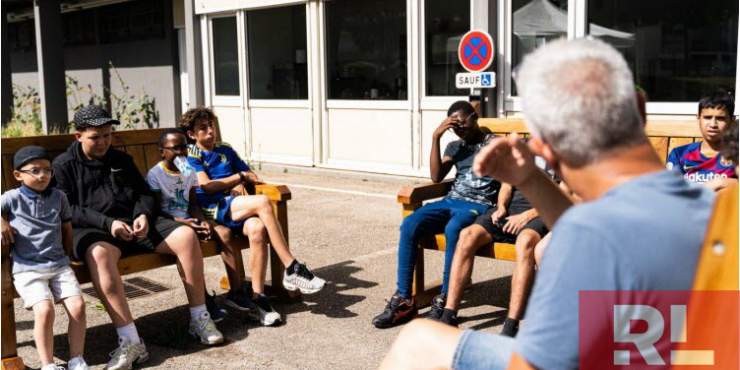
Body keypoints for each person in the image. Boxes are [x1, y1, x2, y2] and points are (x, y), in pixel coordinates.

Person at [380, 38, 715, 370]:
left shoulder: (591, 245)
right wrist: (531, 180)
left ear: (547, 147)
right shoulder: (714, 213)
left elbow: (535, 365)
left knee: (418, 342)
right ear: (640, 109)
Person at [53, 105, 223, 370]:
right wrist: (108, 224)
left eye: (107, 135)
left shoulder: (120, 159)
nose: (103, 142)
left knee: (187, 236)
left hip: (133, 224)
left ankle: (199, 318)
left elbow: (144, 194)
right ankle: (131, 341)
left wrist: (142, 214)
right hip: (93, 230)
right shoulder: (63, 165)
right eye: (95, 137)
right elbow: (68, 209)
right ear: (78, 136)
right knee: (99, 254)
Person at [372, 101, 501, 329]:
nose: (459, 128)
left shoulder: (496, 144)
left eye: (462, 121)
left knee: (454, 229)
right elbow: (436, 177)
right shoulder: (454, 146)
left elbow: (512, 178)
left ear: (474, 116)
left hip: (478, 205)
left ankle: (445, 299)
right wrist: (435, 137)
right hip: (451, 200)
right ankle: (405, 300)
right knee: (410, 223)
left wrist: (503, 207)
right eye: (454, 125)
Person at [179, 107, 325, 305]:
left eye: (211, 125)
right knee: (263, 202)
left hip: (232, 206)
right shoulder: (192, 154)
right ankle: (291, 267)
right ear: (191, 134)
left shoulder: (225, 149)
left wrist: (240, 182)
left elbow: (252, 176)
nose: (210, 131)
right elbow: (207, 186)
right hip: (212, 209)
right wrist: (239, 177)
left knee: (257, 229)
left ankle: (259, 298)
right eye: (203, 128)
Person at [146, 128, 280, 326]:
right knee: (188, 241)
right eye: (175, 149)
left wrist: (203, 221)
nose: (180, 153)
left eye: (183, 148)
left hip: (190, 218)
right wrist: (185, 222)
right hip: (169, 223)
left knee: (224, 232)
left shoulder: (188, 170)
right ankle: (204, 296)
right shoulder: (155, 175)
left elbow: (192, 206)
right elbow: (156, 211)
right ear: (161, 151)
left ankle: (237, 290)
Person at [436, 157, 553, 335]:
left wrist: (528, 215)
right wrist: (501, 207)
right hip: (511, 209)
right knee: (467, 235)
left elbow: (565, 195)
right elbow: (506, 185)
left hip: (542, 212)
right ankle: (449, 314)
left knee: (525, 241)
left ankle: (511, 325)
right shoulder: (522, 149)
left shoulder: (565, 152)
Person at [1, 147, 89, 370]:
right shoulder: (12, 198)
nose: (42, 175)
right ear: (18, 175)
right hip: (27, 268)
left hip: (59, 264)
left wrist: (67, 256)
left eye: (47, 170)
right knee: (45, 309)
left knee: (78, 306)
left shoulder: (58, 197)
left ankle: (76, 359)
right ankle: (48, 364)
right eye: (35, 171)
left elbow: (67, 228)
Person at [666, 90, 738, 191]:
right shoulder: (680, 154)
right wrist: (715, 184)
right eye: (707, 117)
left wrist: (722, 182)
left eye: (720, 118)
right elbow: (671, 191)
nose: (713, 124)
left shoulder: (736, 155)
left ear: (731, 120)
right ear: (698, 118)